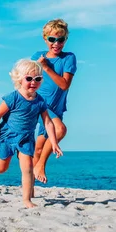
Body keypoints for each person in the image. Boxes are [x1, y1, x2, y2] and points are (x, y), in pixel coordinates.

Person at [0, 59, 63, 208]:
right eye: (29, 78)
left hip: (26, 139)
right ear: (19, 79)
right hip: (7, 137)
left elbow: (48, 122)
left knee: (28, 168)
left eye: (37, 79)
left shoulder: (40, 101)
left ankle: (26, 200)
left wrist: (54, 142)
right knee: (1, 169)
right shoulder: (13, 97)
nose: (33, 82)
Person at [31, 19, 77, 184]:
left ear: (65, 40)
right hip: (40, 104)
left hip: (56, 108)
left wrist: (47, 67)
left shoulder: (69, 58)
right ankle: (41, 165)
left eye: (60, 40)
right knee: (60, 130)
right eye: (52, 39)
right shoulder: (37, 57)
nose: (56, 43)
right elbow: (27, 79)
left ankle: (30, 189)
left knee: (38, 148)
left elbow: (64, 85)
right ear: (45, 39)